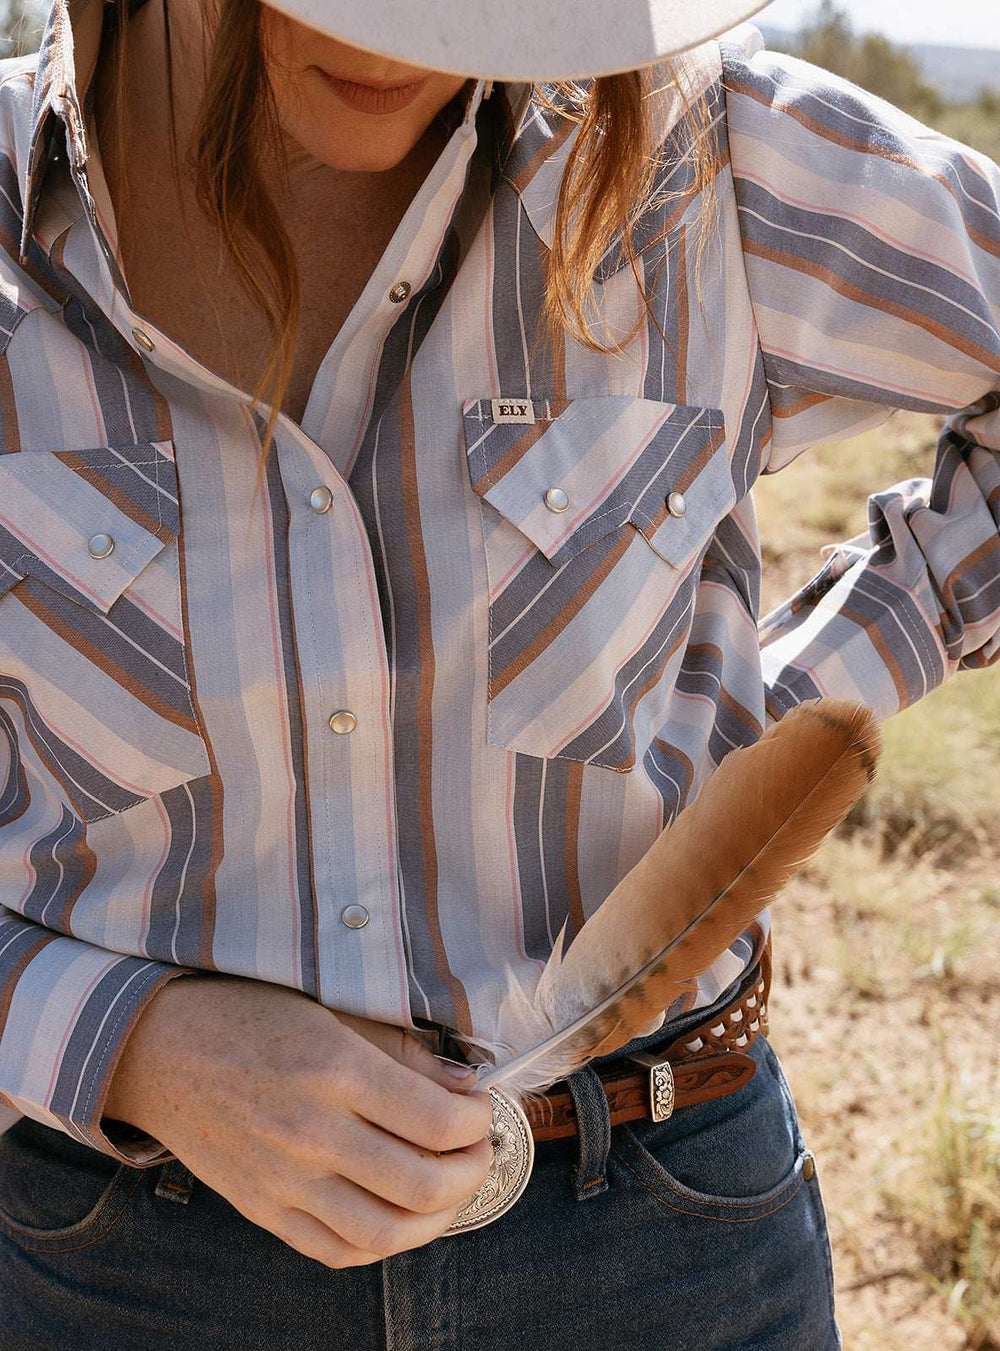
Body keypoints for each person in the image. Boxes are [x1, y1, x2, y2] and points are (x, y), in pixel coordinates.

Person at [0, 0, 997, 1343]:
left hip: (666, 1250)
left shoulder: (711, 165)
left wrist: (819, 692)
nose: (416, 40)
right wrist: (127, 1044)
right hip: (115, 1277)